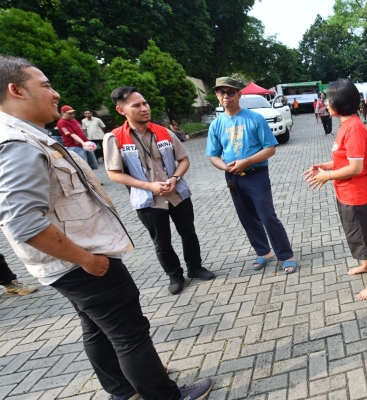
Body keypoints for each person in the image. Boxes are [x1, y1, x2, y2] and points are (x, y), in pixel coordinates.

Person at [0, 55, 212, 400]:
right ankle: (165, 395)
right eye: (46, 85)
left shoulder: (29, 137)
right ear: (16, 90)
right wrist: (86, 259)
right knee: (130, 332)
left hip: (74, 258)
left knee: (97, 328)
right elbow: (24, 222)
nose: (54, 93)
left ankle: (123, 389)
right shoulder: (18, 144)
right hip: (81, 261)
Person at [104, 86, 214, 295]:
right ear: (121, 110)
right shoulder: (115, 138)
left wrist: (174, 178)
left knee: (188, 233)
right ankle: (174, 275)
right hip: (148, 200)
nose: (144, 108)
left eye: (145, 103)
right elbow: (114, 173)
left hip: (177, 194)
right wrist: (149, 186)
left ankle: (195, 267)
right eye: (136, 105)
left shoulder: (164, 131)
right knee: (161, 241)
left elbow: (184, 159)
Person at [206, 77, 298, 274]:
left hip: (256, 174)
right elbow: (213, 155)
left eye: (230, 92)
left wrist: (246, 161)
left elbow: (270, 148)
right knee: (246, 217)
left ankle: (286, 255)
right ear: (217, 95)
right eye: (221, 92)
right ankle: (263, 252)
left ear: (239, 94)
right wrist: (225, 167)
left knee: (267, 215)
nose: (226, 96)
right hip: (233, 177)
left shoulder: (255, 118)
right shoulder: (217, 125)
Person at [303, 79, 367, 300]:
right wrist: (324, 166)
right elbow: (344, 160)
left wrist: (327, 176)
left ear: (341, 101)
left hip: (356, 194)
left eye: (329, 99)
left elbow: (356, 167)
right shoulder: (345, 124)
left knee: (366, 237)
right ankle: (366, 265)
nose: (326, 103)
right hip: (345, 193)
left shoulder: (354, 128)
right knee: (356, 233)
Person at [57, 105, 98, 170]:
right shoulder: (62, 122)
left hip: (85, 145)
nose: (72, 115)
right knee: (84, 168)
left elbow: (81, 132)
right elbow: (72, 134)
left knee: (92, 166)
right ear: (63, 113)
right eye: (69, 113)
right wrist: (83, 143)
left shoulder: (74, 120)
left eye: (73, 113)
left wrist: (87, 142)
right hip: (75, 147)